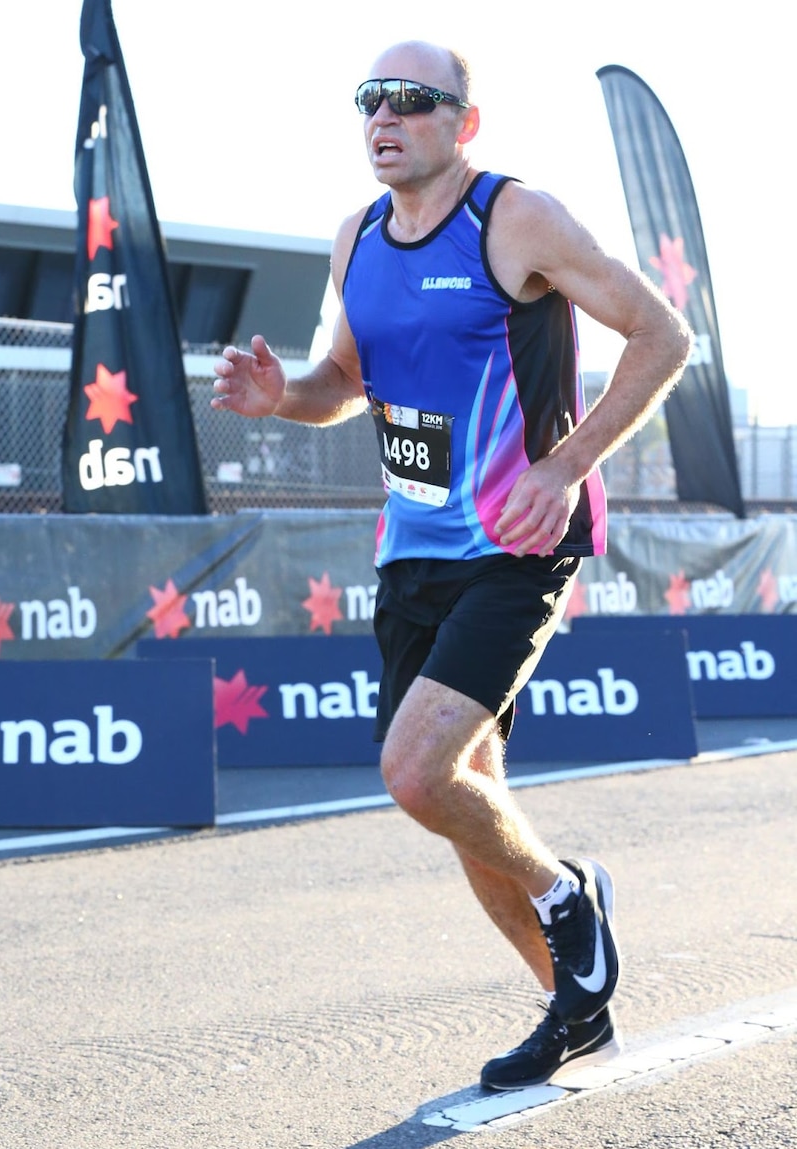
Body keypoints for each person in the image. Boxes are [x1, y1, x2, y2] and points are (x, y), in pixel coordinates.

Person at [212, 40, 691, 1090]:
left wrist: (565, 466)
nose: (384, 118)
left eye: (412, 102)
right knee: (471, 795)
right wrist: (279, 395)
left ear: (462, 122)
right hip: (412, 550)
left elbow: (662, 335)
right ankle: (572, 1007)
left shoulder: (515, 219)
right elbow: (342, 377)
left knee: (415, 773)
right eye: (369, 101)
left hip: (518, 543)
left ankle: (570, 896)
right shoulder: (358, 239)